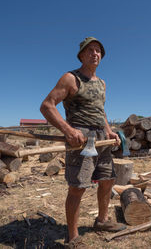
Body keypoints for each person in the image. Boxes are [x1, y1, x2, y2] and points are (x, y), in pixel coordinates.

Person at [40, 37, 126, 248]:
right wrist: (68, 130)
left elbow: (100, 111)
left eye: (98, 51)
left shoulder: (102, 83)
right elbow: (47, 106)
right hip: (81, 139)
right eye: (90, 50)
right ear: (81, 55)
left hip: (102, 140)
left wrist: (109, 132)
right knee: (77, 187)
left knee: (107, 180)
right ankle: (72, 237)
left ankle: (102, 221)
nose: (95, 54)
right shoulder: (71, 78)